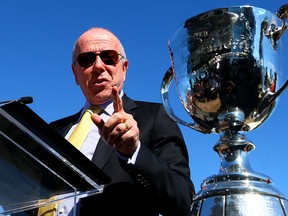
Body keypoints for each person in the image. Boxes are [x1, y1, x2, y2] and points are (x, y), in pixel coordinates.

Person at [28, 27, 195, 216]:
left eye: (109, 57)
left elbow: (184, 202)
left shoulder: (155, 116)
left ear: (124, 68)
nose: (98, 66)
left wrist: (134, 152)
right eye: (87, 60)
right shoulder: (53, 131)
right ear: (76, 73)